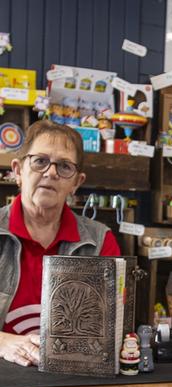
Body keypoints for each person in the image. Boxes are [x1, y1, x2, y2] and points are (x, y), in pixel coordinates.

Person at [0, 121, 120, 367]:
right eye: (40, 161)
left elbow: (113, 326)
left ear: (76, 182)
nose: (51, 172)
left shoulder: (99, 241)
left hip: (73, 374)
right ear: (18, 170)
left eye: (64, 166)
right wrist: (3, 342)